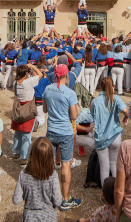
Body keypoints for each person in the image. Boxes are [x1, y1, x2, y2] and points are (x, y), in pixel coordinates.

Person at [43, 64, 82, 210]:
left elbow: (45, 109)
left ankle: (46, 196)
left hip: (51, 130)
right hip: (65, 132)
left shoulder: (48, 89)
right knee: (65, 165)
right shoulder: (70, 93)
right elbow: (73, 116)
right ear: (66, 76)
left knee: (48, 164)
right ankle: (65, 199)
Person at [12, 137, 63, 221]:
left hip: (29, 217)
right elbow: (58, 201)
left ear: (32, 155)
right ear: (50, 157)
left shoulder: (23, 174)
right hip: (49, 217)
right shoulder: (53, 175)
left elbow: (16, 200)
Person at [91, 77, 129, 185]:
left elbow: (93, 116)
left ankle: (106, 193)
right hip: (115, 135)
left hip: (101, 136)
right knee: (114, 164)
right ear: (113, 86)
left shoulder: (95, 101)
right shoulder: (116, 98)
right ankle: (118, 190)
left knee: (104, 167)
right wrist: (126, 116)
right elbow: (126, 111)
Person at [12, 64, 43, 167]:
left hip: (18, 109)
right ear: (26, 73)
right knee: (26, 135)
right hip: (28, 109)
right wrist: (33, 66)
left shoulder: (15, 83)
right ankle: (24, 157)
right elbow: (40, 74)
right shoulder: (28, 82)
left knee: (18, 132)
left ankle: (16, 152)